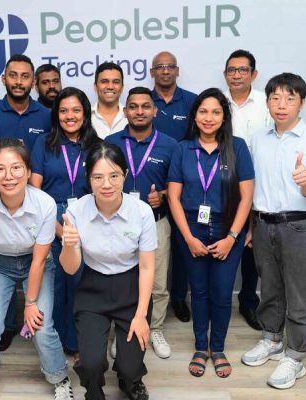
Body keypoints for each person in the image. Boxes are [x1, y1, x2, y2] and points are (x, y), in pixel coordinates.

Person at [240, 73, 306, 390]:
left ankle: (295, 357)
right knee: (270, 288)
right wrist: (250, 226)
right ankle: (272, 339)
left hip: (297, 225)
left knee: (299, 294)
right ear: (267, 102)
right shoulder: (258, 138)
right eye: (275, 98)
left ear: (301, 103)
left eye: (289, 98)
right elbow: (252, 187)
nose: (281, 105)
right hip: (262, 223)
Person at [0, 138, 73, 400]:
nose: (8, 176)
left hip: (36, 261)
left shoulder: (44, 204)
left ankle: (60, 378)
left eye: (16, 168)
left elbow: (39, 260)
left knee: (41, 327)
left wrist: (30, 303)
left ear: (28, 171)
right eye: (0, 169)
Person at [167, 88, 254, 379]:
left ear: (224, 117)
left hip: (228, 229)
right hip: (191, 229)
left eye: (216, 112)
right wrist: (188, 238)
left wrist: (232, 237)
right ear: (194, 116)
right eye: (203, 111)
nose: (209, 118)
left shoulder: (237, 147)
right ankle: (200, 347)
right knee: (199, 292)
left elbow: (246, 198)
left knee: (221, 293)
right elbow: (174, 198)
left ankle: (217, 348)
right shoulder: (182, 149)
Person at [61, 142, 155, 400]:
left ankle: (131, 381)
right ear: (88, 178)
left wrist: (141, 315)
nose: (106, 184)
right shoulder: (76, 211)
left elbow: (147, 267)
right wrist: (69, 245)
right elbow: (70, 268)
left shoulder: (142, 212)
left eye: (114, 176)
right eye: (98, 177)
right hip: (93, 287)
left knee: (129, 365)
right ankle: (93, 392)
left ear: (125, 175)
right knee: (90, 362)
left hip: (131, 287)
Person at [104, 87, 178, 359]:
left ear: (155, 111)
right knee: (120, 282)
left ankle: (155, 328)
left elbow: (178, 185)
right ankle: (119, 330)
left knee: (158, 283)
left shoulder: (170, 145)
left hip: (156, 223)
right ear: (125, 111)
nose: (139, 111)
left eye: (145, 106)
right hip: (116, 223)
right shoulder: (111, 142)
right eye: (133, 107)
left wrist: (163, 195)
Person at [31, 87, 102, 360]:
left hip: (88, 219)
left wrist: (82, 230)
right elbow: (34, 193)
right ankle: (54, 343)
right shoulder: (43, 144)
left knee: (81, 285)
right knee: (54, 285)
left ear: (85, 113)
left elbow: (103, 190)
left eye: (75, 110)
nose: (69, 116)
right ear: (56, 114)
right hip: (49, 218)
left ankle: (77, 342)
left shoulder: (97, 146)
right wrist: (59, 230)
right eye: (63, 111)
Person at [223, 49, 273, 331]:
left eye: (243, 70)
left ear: (254, 74)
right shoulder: (217, 103)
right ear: (225, 74)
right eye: (232, 70)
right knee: (226, 238)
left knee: (252, 247)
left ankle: (248, 300)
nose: (237, 75)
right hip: (221, 184)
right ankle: (220, 300)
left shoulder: (267, 104)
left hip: (259, 183)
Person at [150, 51, 198, 323]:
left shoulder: (191, 102)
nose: (165, 71)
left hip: (185, 185)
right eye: (160, 67)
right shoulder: (144, 102)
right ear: (152, 72)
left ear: (177, 70)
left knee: (182, 246)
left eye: (170, 66)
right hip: (151, 187)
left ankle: (179, 297)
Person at [0, 54, 51, 151]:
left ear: (33, 82)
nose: (18, 82)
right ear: (4, 79)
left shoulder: (47, 116)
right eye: (13, 75)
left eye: (25, 76)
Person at [91, 62, 127, 139]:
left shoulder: (131, 117)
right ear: (95, 86)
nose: (110, 87)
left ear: (122, 88)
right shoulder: (85, 117)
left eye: (116, 82)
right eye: (104, 81)